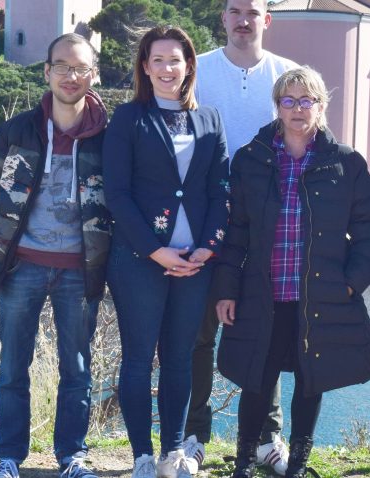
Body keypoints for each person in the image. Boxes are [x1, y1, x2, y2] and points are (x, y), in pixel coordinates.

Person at [214, 66, 370, 478]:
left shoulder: (346, 163)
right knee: (256, 380)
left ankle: (298, 465)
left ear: (321, 106)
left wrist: (351, 283)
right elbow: (236, 231)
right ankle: (243, 463)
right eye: (288, 100)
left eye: (306, 100)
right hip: (261, 294)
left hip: (319, 295)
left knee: (311, 381)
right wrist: (226, 289)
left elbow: (369, 232)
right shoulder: (251, 159)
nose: (297, 109)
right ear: (278, 106)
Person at [102, 25, 230, 478]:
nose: (166, 68)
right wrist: (156, 251)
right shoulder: (128, 119)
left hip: (194, 264)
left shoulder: (210, 120)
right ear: (144, 67)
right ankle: (141, 454)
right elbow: (116, 195)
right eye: (157, 60)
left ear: (189, 64)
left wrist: (207, 250)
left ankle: (173, 453)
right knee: (139, 357)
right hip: (139, 261)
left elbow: (221, 191)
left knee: (180, 358)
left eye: (174, 59)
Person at [0, 33, 110, 478]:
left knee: (76, 370)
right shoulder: (18, 128)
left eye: (80, 68)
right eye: (62, 67)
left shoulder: (108, 137)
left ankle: (72, 457)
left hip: (81, 270)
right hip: (21, 267)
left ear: (93, 73)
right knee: (14, 366)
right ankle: (9, 458)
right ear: (47, 72)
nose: (71, 77)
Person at [184, 0, 298, 473]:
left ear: (266, 20)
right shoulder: (197, 71)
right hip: (202, 221)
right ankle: (191, 436)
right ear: (224, 19)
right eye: (235, 11)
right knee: (196, 334)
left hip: (265, 228)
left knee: (263, 332)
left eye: (253, 11)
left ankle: (266, 437)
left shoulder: (289, 74)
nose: (244, 19)